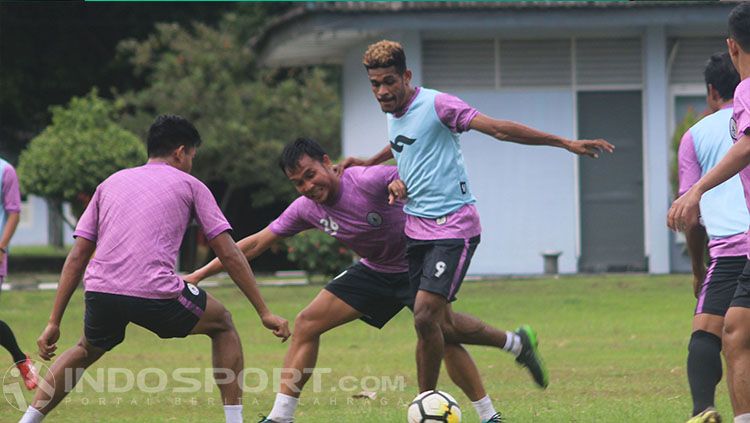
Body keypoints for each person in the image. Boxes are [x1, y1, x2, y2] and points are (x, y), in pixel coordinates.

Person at [185, 137, 544, 423]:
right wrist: (200, 274)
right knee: (308, 322)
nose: (307, 186)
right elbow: (256, 243)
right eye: (298, 183)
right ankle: (281, 416)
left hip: (416, 263)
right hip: (375, 270)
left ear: (327, 163)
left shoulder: (364, 180)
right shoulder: (306, 208)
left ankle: (490, 413)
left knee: (442, 333)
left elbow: (400, 173)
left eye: (310, 175)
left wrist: (400, 184)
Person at [338, 39, 613, 395]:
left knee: (424, 316)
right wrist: (369, 163)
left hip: (453, 227)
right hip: (416, 230)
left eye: (389, 81)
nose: (383, 91)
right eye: (375, 84)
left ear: (406, 76)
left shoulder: (438, 105)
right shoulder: (395, 114)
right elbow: (405, 143)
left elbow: (498, 128)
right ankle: (517, 344)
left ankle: (425, 405)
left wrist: (564, 142)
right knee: (444, 326)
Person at [18, 115, 290, 423]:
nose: (191, 164)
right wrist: (264, 311)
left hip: (101, 291)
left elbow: (78, 256)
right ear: (180, 151)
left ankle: (27, 421)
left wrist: (54, 321)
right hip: (155, 292)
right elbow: (228, 252)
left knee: (84, 349)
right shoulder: (191, 185)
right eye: (191, 157)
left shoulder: (110, 183)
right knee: (223, 323)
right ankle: (234, 421)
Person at [668, 3, 750, 422]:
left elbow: (690, 215)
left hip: (731, 245)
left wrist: (697, 268)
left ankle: (704, 409)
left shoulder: (698, 134)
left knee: (708, 331)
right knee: (738, 332)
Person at [0, 156, 38, 391]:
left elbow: (14, 211)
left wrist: (2, 246)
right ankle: (21, 358)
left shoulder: (5, 171)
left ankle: (21, 360)